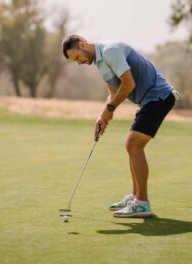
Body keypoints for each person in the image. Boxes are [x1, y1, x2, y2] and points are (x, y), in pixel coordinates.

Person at [62, 35, 179, 218]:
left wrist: (110, 109)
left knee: (133, 145)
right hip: (149, 100)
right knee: (131, 146)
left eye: (77, 58)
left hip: (159, 96)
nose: (79, 63)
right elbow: (114, 93)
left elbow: (129, 84)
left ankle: (142, 204)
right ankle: (135, 197)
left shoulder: (110, 51)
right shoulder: (101, 63)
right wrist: (103, 116)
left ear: (82, 45)